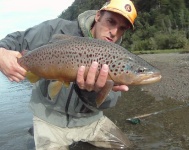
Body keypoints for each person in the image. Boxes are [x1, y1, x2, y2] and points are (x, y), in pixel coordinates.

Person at [0, 0, 137, 149]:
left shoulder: (117, 56)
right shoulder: (57, 28)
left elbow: (106, 103)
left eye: (122, 28)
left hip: (90, 121)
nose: (114, 32)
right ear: (98, 16)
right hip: (49, 120)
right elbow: (18, 40)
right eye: (111, 21)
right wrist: (1, 53)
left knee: (127, 147)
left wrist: (92, 92)